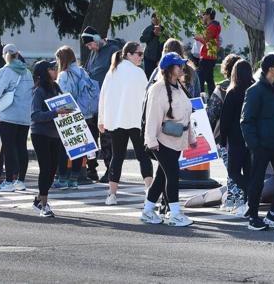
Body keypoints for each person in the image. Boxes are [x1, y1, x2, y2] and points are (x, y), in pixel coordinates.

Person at [142, 52, 199, 227]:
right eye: (178, 65)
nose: (182, 67)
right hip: (162, 141)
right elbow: (152, 117)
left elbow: (187, 115)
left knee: (161, 176)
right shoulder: (158, 89)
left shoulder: (178, 86)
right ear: (169, 69)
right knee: (172, 175)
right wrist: (151, 141)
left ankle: (147, 211)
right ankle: (174, 213)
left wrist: (191, 137)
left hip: (175, 139)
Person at [241, 54, 274, 230]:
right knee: (257, 180)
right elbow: (246, 120)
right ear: (270, 68)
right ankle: (253, 217)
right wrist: (254, 144)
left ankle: (273, 214)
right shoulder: (255, 91)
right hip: (261, 145)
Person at [98, 41, 154, 205]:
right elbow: (146, 99)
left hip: (117, 120)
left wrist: (102, 119)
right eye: (139, 54)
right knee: (143, 156)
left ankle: (112, 194)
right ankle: (149, 192)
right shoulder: (138, 73)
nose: (141, 58)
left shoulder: (113, 71)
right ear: (128, 54)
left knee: (117, 156)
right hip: (136, 120)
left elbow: (104, 97)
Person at [55, 45, 101, 186]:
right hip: (86, 114)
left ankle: (62, 178)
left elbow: (65, 94)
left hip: (70, 113)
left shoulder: (64, 75)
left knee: (64, 148)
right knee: (79, 148)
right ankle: (74, 178)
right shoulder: (82, 71)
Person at [30, 60, 71, 217]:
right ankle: (43, 206)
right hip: (40, 134)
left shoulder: (56, 87)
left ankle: (39, 199)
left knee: (53, 169)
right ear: (45, 72)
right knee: (46, 168)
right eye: (52, 69)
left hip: (55, 134)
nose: (56, 71)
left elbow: (62, 108)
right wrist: (56, 113)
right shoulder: (39, 91)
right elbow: (35, 115)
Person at [0, 44, 32, 193]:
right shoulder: (27, 72)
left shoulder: (4, 72)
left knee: (8, 148)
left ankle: (8, 181)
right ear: (17, 54)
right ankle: (20, 180)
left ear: (4, 55)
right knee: (21, 147)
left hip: (8, 114)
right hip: (25, 115)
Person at [220, 59, 254, 214]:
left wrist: (222, 139)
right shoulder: (253, 90)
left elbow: (225, 119)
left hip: (236, 138)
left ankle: (251, 190)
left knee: (234, 172)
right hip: (252, 137)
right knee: (248, 171)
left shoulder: (232, 92)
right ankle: (249, 204)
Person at [211, 54, 244, 211]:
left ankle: (239, 199)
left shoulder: (222, 88)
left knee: (232, 170)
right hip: (245, 135)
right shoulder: (249, 86)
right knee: (237, 169)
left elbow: (212, 112)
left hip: (225, 136)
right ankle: (231, 199)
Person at [193, 8, 222, 96]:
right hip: (209, 56)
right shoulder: (212, 26)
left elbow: (206, 39)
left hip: (207, 57)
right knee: (209, 80)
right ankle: (211, 98)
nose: (203, 16)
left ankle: (200, 98)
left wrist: (198, 37)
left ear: (209, 15)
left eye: (204, 14)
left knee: (200, 79)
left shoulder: (212, 26)